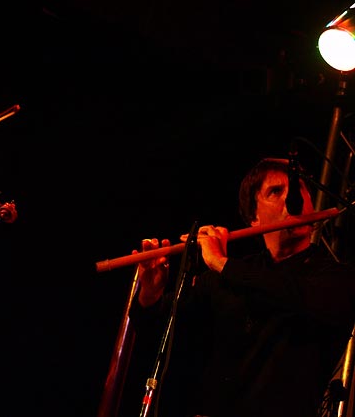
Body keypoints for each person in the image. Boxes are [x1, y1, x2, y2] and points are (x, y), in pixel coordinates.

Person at [129, 157, 355, 417]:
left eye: (299, 188)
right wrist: (150, 293)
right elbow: (155, 329)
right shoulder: (229, 276)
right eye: (275, 191)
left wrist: (221, 262)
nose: (292, 197)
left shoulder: (334, 277)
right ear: (253, 217)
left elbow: (292, 295)